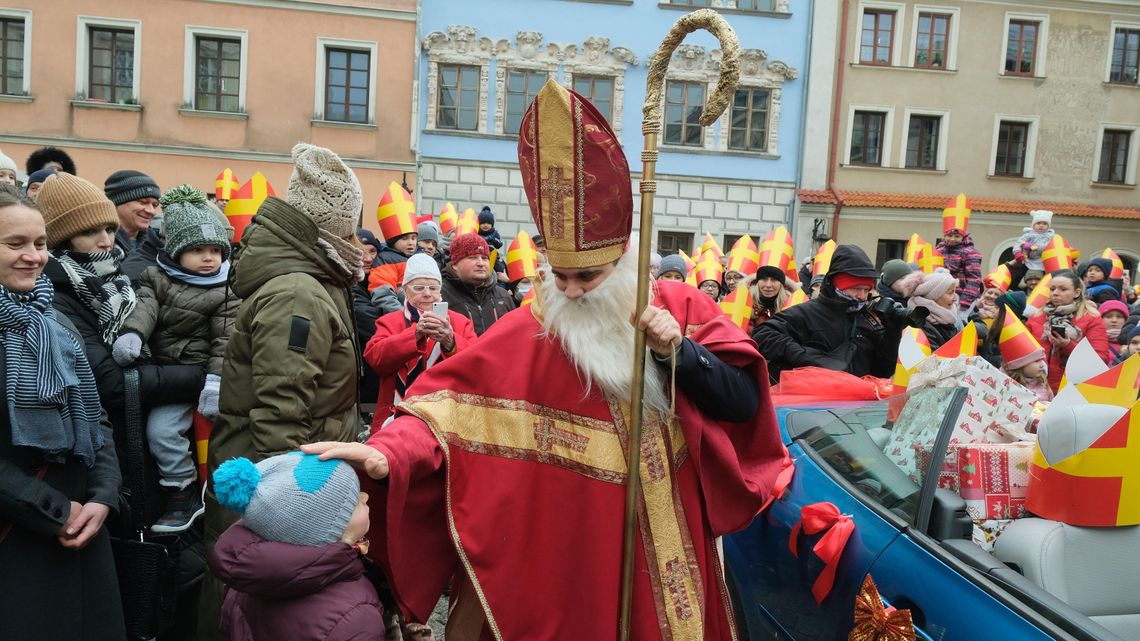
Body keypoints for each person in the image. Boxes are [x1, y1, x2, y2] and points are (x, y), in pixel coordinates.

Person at [304, 79, 784, 641]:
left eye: (588, 276)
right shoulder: (532, 326)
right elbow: (449, 405)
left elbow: (744, 402)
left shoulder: (681, 306)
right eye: (560, 276)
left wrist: (680, 351)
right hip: (570, 552)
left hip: (672, 548)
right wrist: (388, 451)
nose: (572, 292)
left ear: (623, 263)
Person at [200, 143, 365, 640]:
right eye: (350, 224)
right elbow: (280, 411)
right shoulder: (298, 291)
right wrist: (294, 512)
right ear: (329, 227)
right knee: (257, 614)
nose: (355, 236)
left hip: (283, 475)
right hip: (284, 482)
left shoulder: (309, 277)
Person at [0, 189, 127, 641]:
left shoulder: (54, 319)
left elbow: (96, 420)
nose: (33, 257)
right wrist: (55, 510)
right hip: (21, 539)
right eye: (16, 244)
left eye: (39, 244)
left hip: (81, 534)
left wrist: (103, 495)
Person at [109, 185, 239, 532]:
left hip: (195, 376)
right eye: (198, 250)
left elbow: (225, 340)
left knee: (163, 432)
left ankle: (183, 493)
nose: (209, 258)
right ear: (176, 250)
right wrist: (132, 335)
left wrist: (214, 382)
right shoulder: (156, 276)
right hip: (163, 372)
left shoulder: (228, 288)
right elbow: (145, 308)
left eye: (216, 250)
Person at [210, 453, 383, 641]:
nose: (365, 497)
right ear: (329, 533)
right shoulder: (357, 620)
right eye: (355, 503)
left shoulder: (248, 576)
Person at [754, 245, 906, 381]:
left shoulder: (868, 319)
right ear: (837, 286)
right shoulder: (807, 312)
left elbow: (883, 371)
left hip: (858, 405)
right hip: (812, 406)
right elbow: (762, 335)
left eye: (866, 290)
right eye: (855, 288)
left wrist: (893, 331)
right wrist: (803, 357)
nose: (861, 295)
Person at [364, 254, 476, 430]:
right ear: (405, 290)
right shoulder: (391, 320)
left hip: (447, 416)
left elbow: (475, 365)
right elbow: (376, 360)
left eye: (433, 287)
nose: (427, 293)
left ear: (440, 291)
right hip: (394, 416)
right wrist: (414, 335)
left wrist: (451, 342)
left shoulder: (460, 322)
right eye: (419, 287)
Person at [1025, 269, 1111, 393]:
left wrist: (1067, 345)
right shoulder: (1037, 317)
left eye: (1063, 289)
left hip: (1072, 389)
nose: (1055, 293)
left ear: (1076, 293)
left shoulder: (1091, 318)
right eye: (1052, 289)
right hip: (1037, 388)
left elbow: (1100, 359)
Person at [440, 233, 514, 336]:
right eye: (473, 257)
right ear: (455, 264)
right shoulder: (439, 295)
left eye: (484, 258)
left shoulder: (503, 296)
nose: (481, 263)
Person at [104, 170, 162, 254]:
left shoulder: (158, 244)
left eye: (154, 205)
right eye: (143, 202)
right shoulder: (99, 242)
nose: (151, 211)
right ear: (116, 202)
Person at [907, 272, 963, 351]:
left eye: (955, 292)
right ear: (933, 296)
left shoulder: (950, 317)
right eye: (950, 293)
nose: (955, 299)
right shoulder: (919, 324)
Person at [936, 228, 982, 314]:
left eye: (957, 236)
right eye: (949, 236)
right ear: (945, 236)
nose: (952, 239)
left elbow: (974, 279)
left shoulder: (971, 253)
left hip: (961, 297)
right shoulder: (938, 251)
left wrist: (965, 302)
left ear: (963, 237)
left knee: (960, 322)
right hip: (942, 296)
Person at [749, 265, 790, 330]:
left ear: (781, 285)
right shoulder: (746, 303)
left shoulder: (791, 305)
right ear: (757, 283)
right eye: (764, 279)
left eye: (774, 280)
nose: (768, 285)